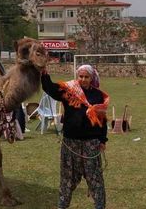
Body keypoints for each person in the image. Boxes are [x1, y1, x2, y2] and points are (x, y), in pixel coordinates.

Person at [41, 65, 109, 209]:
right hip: (70, 143)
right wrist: (44, 74)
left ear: (92, 78)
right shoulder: (70, 90)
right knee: (67, 178)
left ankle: (100, 206)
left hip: (91, 143)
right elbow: (51, 89)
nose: (83, 79)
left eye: (86, 77)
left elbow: (102, 121)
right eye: (81, 76)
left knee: (95, 178)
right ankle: (62, 206)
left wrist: (103, 140)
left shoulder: (98, 95)